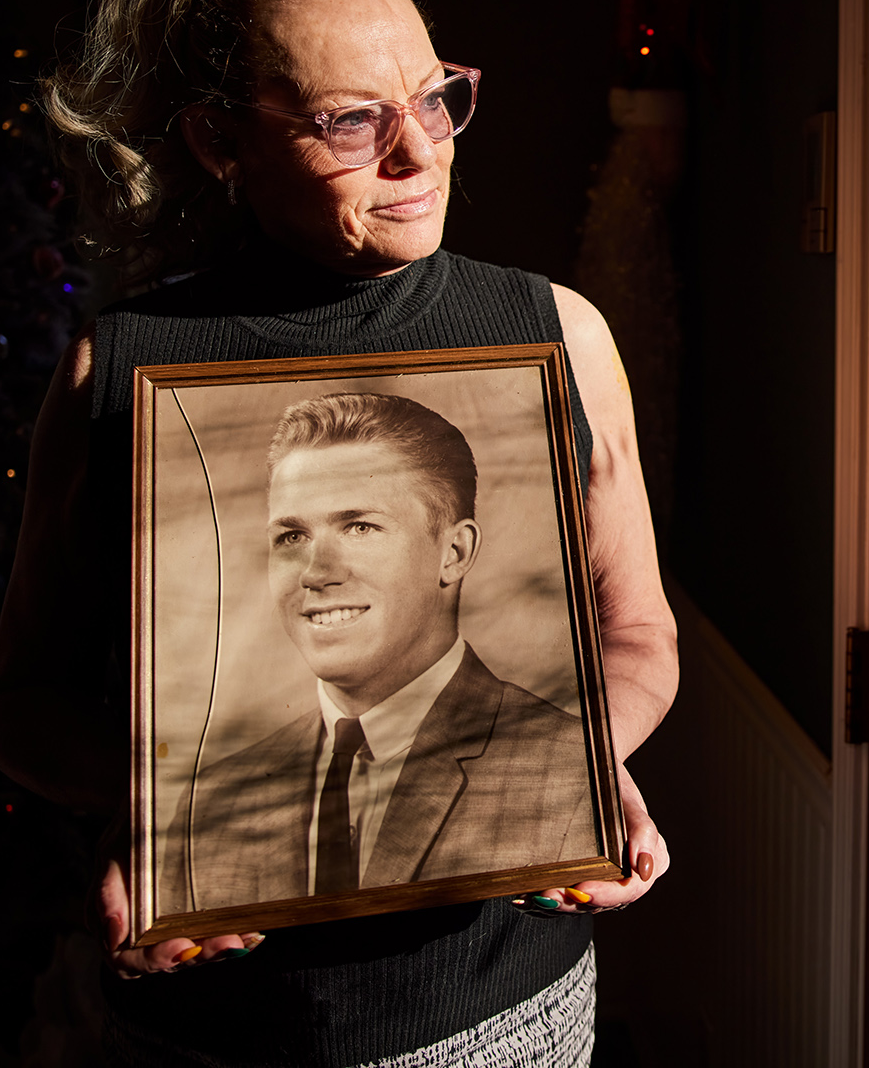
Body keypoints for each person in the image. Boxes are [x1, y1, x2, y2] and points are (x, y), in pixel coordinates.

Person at [0, 0, 676, 1068]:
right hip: (213, 1034)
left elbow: (638, 631)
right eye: (351, 120)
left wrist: (575, 763)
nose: (419, 152)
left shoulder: (558, 332)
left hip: (498, 1017)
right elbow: (22, 704)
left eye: (435, 98)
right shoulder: (124, 367)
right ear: (220, 141)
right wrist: (163, 806)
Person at [162, 392, 595, 914]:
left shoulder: (566, 772)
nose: (315, 572)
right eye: (292, 536)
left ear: (454, 552)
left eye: (359, 527)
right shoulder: (212, 804)